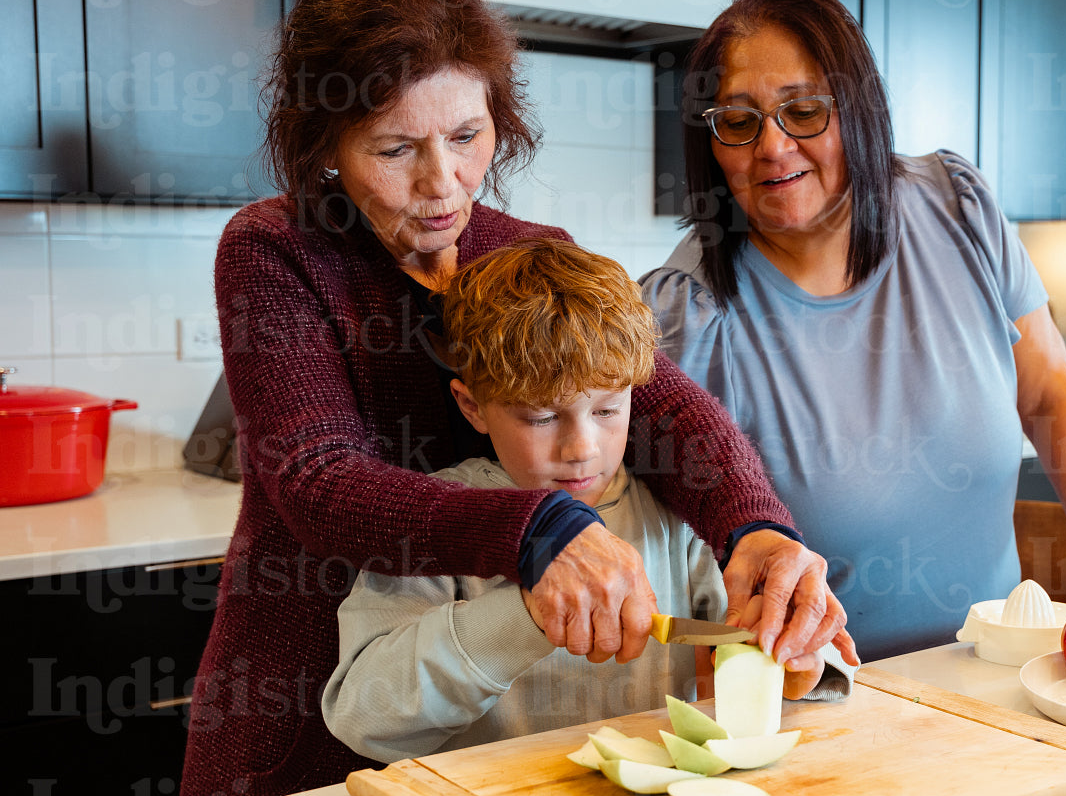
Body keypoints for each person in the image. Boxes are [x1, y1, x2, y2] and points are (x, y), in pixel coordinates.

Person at [181, 0, 850, 796]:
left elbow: (660, 405)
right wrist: (538, 530)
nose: (443, 182)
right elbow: (318, 485)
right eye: (395, 148)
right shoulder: (275, 250)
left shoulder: (529, 248)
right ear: (329, 144)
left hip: (479, 748)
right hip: (308, 686)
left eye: (467, 136)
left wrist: (753, 530)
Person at [639, 0, 1066, 660]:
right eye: (739, 122)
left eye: (803, 110)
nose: (772, 146)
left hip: (1002, 675)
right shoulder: (689, 312)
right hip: (828, 707)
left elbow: (1047, 393)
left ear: (857, 110)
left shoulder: (958, 208)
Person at [322, 241, 850, 762]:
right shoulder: (433, 523)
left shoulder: (677, 518)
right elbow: (364, 718)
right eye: (542, 417)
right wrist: (524, 616)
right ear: (472, 406)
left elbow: (791, 658)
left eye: (607, 410)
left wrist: (796, 664)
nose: (581, 450)